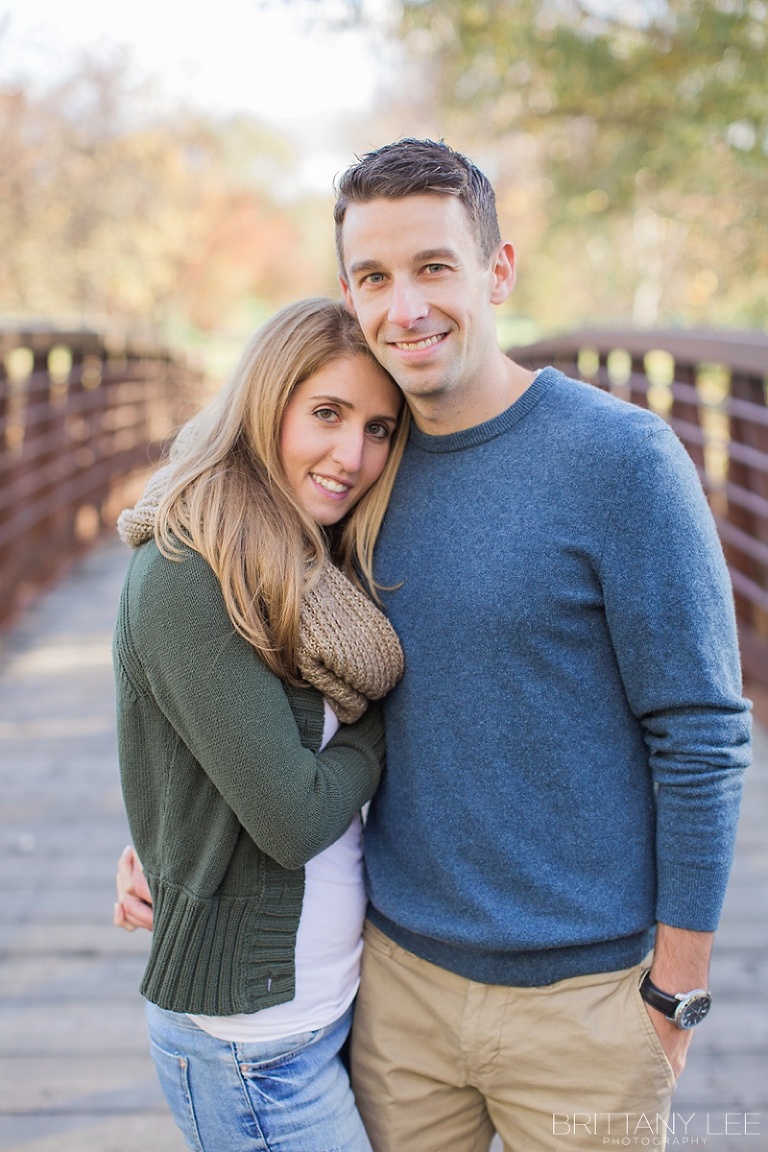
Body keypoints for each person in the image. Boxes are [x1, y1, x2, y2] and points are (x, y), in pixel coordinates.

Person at [118, 140, 752, 1152]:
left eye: (434, 267)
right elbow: (262, 661)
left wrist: (677, 988)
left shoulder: (621, 462)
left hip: (580, 999)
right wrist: (173, 818)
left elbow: (704, 735)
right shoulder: (352, 472)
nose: (405, 307)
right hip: (393, 987)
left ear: (499, 272)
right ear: (348, 294)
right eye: (375, 277)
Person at [111, 296, 409, 1152]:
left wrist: (155, 848)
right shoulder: (187, 569)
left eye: (380, 429)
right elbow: (290, 818)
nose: (351, 455)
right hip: (250, 1047)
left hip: (323, 1013)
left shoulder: (313, 561)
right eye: (326, 414)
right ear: (265, 400)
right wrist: (389, 719)